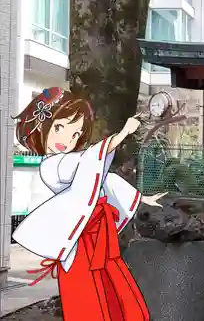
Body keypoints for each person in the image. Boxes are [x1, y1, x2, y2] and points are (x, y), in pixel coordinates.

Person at [11, 87, 165, 321]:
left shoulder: (76, 161)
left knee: (112, 289)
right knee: (86, 296)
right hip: (79, 242)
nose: (67, 139)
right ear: (41, 128)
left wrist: (142, 198)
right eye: (59, 128)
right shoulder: (52, 166)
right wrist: (122, 133)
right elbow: (91, 159)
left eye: (75, 134)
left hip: (98, 237)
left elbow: (105, 178)